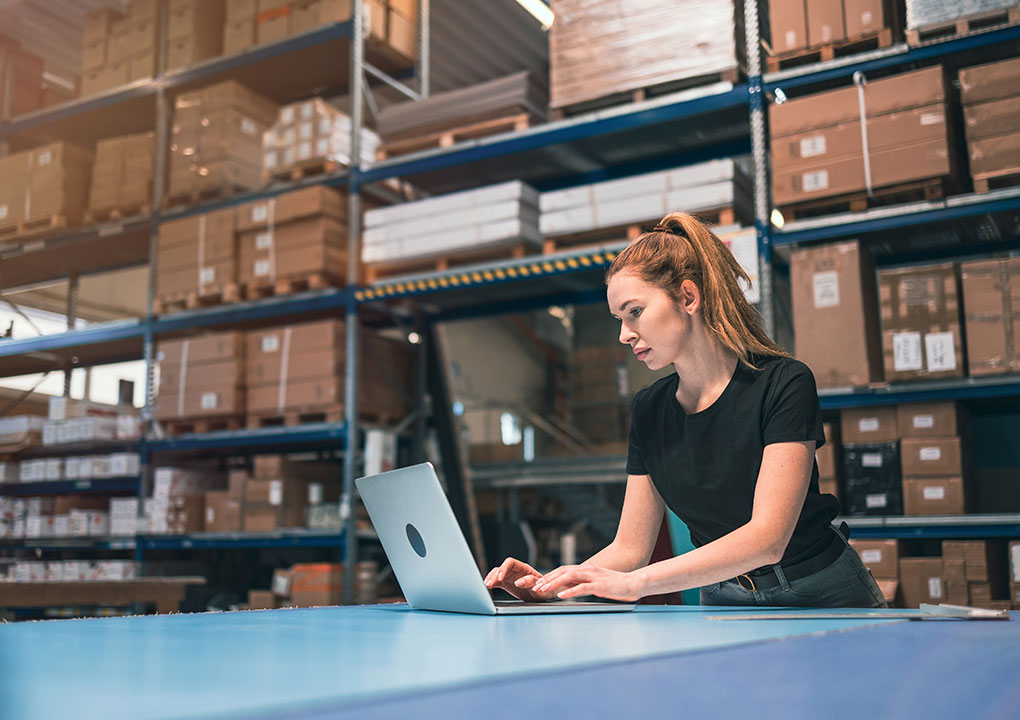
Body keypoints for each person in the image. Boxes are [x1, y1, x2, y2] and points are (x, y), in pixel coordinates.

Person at [484, 212, 887, 608]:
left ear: (688, 297)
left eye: (635, 312)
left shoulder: (783, 383)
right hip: (724, 596)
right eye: (618, 319)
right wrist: (553, 586)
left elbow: (768, 539)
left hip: (820, 591)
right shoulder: (649, 409)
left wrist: (637, 584)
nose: (625, 334)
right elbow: (629, 548)